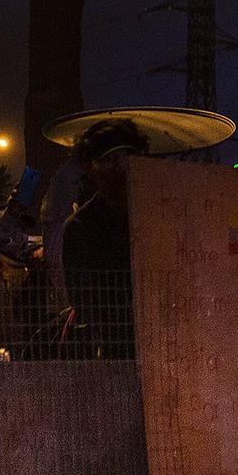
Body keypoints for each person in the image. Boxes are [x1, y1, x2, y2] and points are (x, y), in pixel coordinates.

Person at [59, 118, 150, 359]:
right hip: (121, 353)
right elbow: (88, 307)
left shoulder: (163, 212)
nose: (120, 168)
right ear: (91, 168)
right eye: (110, 159)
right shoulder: (82, 227)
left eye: (128, 156)